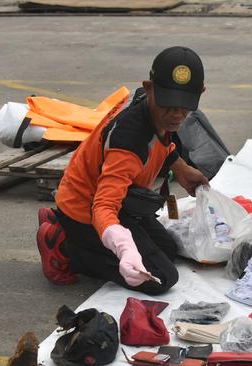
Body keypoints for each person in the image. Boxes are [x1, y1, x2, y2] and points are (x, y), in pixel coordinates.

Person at [36, 46, 209, 295]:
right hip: (87, 208)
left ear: (199, 93)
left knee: (168, 250)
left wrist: (180, 167)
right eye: (168, 103)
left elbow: (159, 141)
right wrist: (125, 248)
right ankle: (64, 246)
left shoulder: (152, 107)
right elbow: (104, 207)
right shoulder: (128, 140)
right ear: (148, 88)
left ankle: (64, 225)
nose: (176, 114)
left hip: (119, 199)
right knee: (160, 277)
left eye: (184, 105)